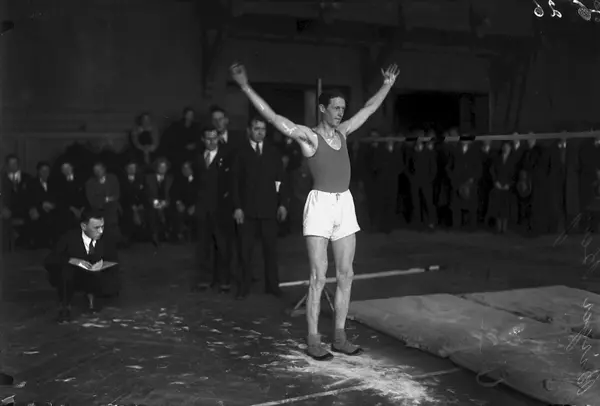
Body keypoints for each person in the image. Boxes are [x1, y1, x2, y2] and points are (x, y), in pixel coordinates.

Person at [230, 62, 399, 361]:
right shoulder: (309, 137)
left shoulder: (344, 132)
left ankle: (340, 337)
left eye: (342, 108)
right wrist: (245, 86)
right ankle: (313, 340)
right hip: (320, 205)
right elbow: (273, 118)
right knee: (318, 277)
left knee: (346, 274)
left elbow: (369, 109)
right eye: (335, 108)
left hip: (344, 204)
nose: (340, 113)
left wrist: (386, 85)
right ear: (322, 109)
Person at [231, 116, 289, 300]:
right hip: (247, 210)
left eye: (263, 129)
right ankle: (244, 287)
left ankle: (272, 286)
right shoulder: (240, 152)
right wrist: (237, 207)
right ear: (249, 130)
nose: (260, 132)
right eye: (256, 129)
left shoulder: (273, 152)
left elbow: (280, 179)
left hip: (269, 209)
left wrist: (282, 203)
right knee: (245, 252)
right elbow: (234, 182)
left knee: (271, 251)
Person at [44, 208, 119, 323]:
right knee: (66, 272)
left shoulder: (106, 238)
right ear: (84, 226)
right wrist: (72, 260)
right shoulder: (69, 238)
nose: (100, 231)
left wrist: (102, 264)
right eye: (96, 228)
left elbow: (114, 259)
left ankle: (94, 303)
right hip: (73, 276)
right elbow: (50, 259)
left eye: (102, 227)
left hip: (96, 276)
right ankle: (65, 306)